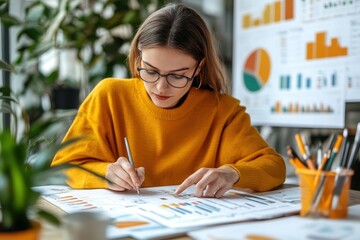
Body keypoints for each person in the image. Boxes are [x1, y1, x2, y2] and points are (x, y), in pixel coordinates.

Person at [52, 3, 286, 198]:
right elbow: (64, 168)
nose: (161, 87)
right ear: (138, 58)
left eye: (177, 75)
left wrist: (233, 173)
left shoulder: (222, 111)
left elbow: (274, 166)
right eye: (151, 71)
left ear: (198, 68)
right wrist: (104, 173)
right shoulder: (109, 96)